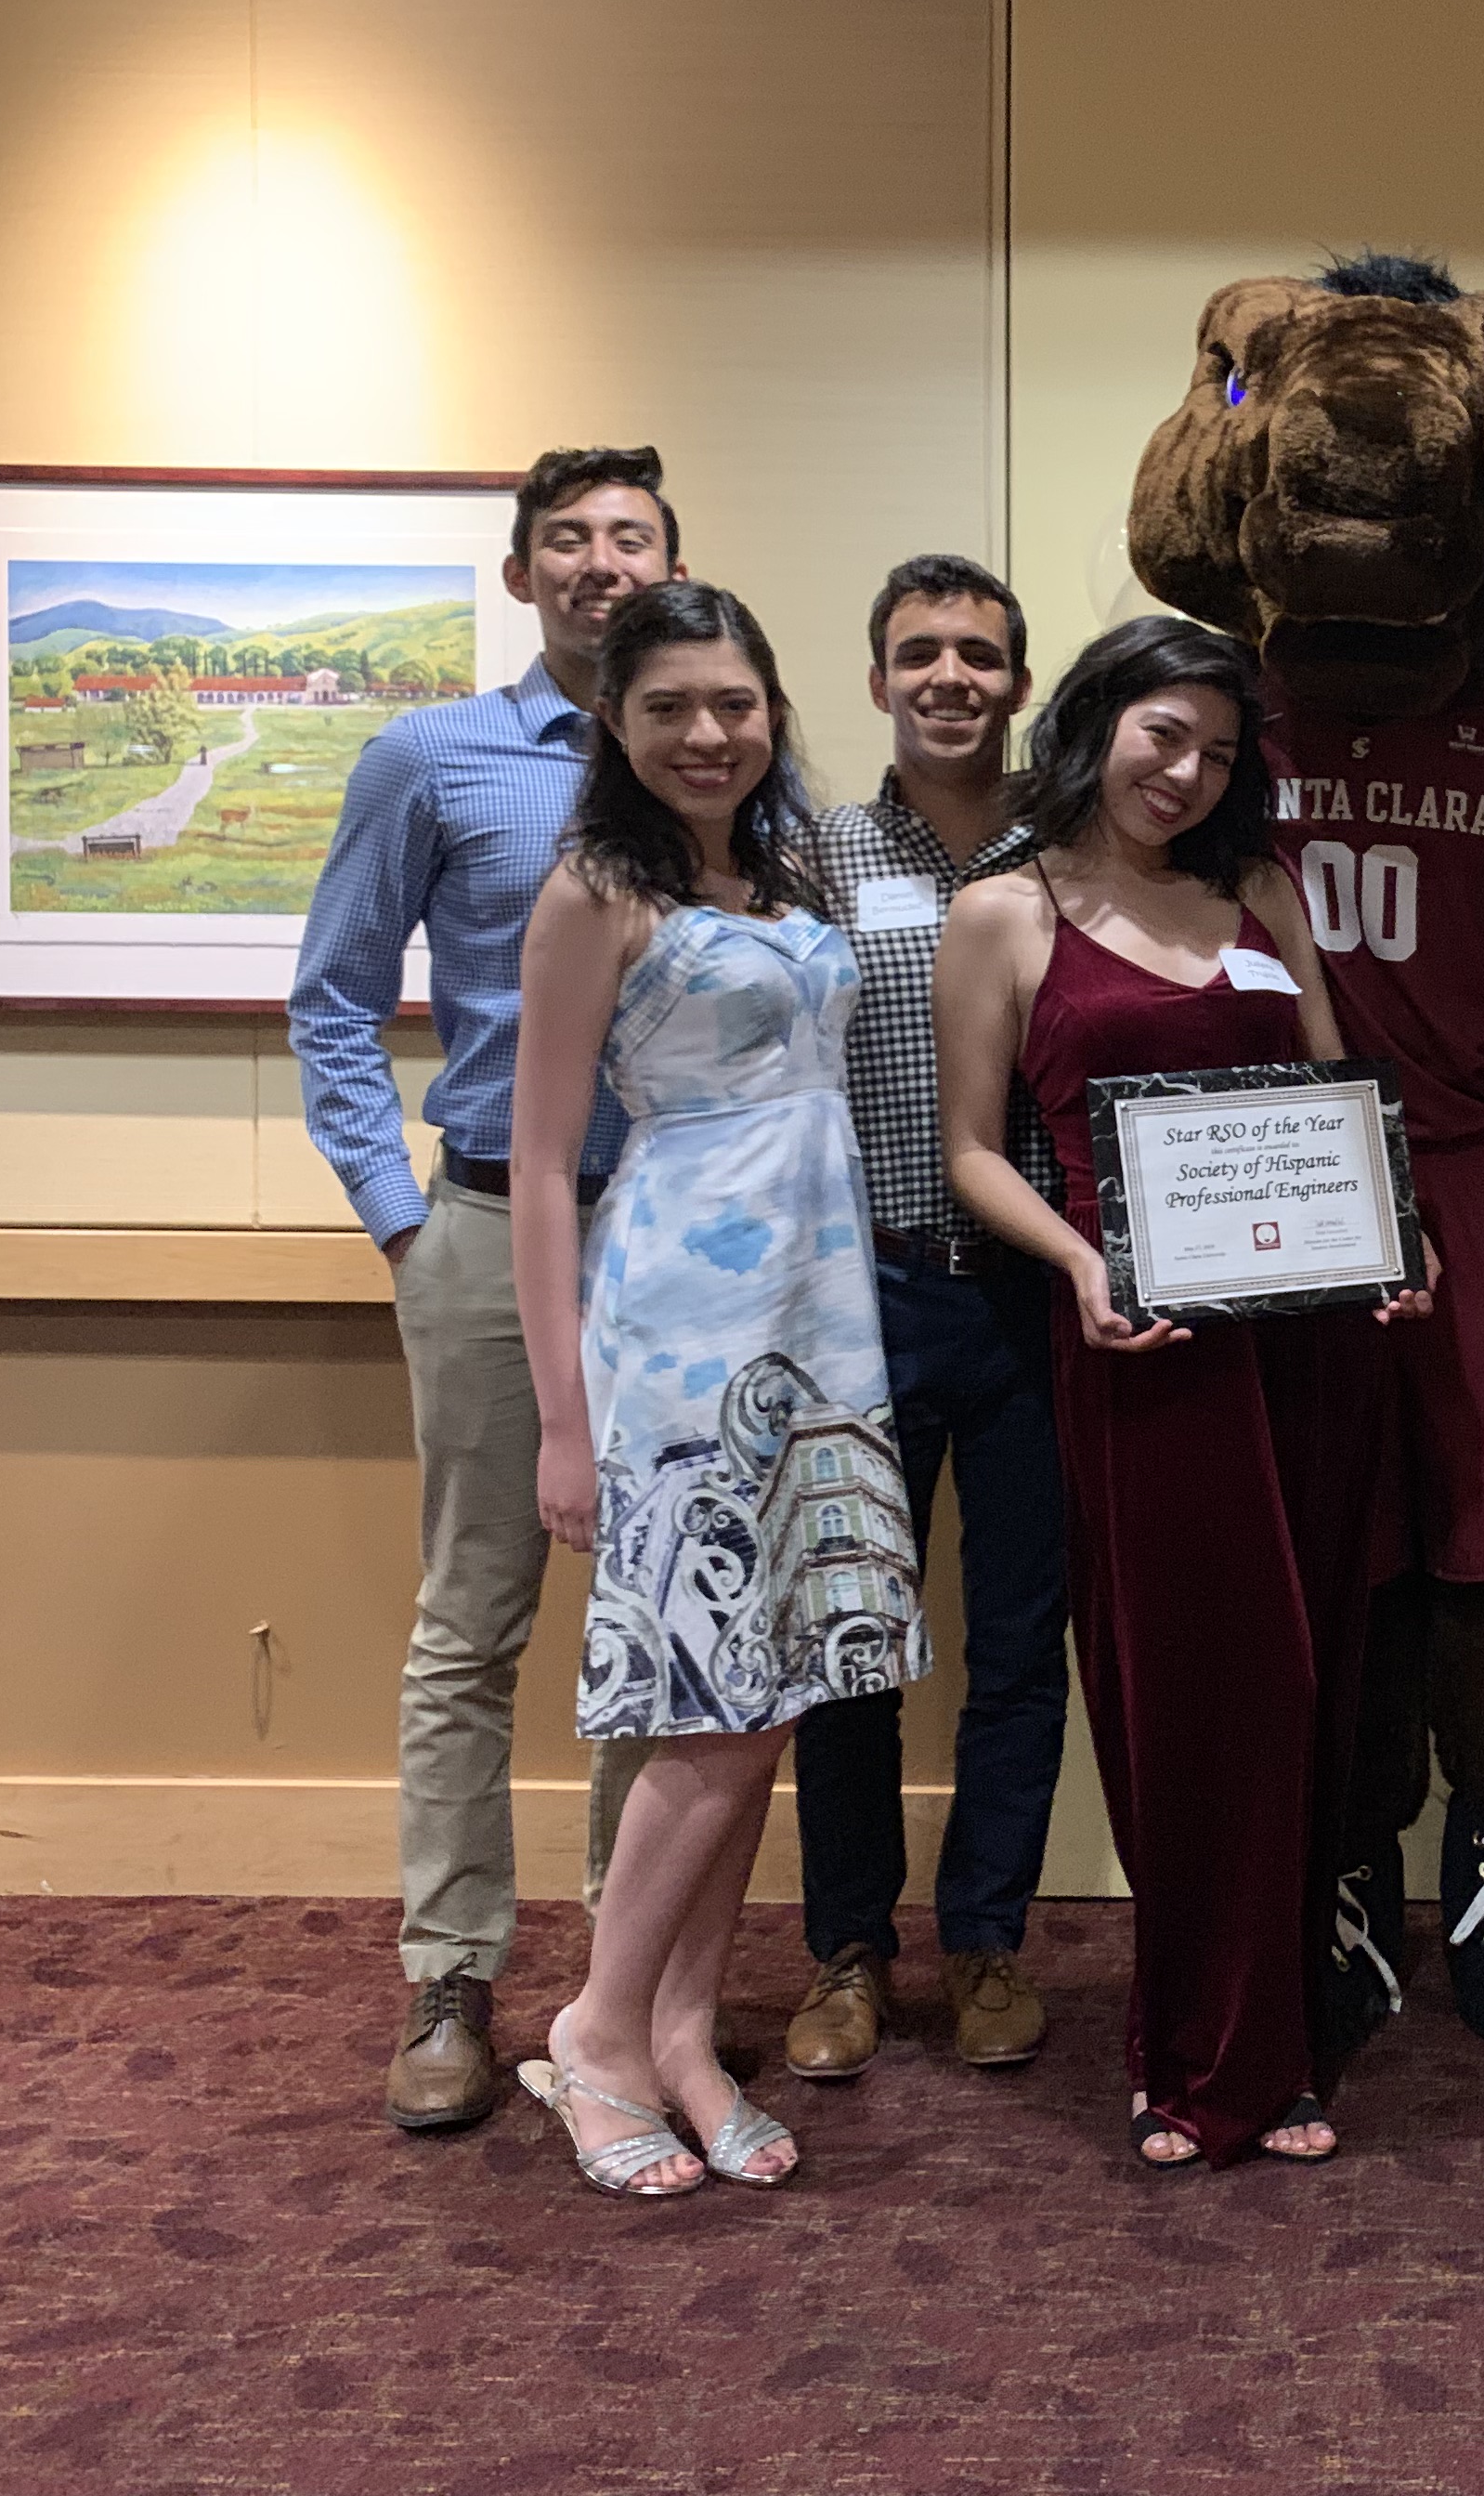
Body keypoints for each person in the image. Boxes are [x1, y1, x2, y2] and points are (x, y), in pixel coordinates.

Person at [932, 612, 1432, 2169]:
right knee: (1191, 1694)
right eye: (1165, 734)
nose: (1188, 770)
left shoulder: (1260, 890)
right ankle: (1187, 2051)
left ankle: (1279, 2046)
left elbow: (1341, 1101)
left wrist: (1394, 1237)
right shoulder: (1004, 912)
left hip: (1317, 1349)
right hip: (1148, 1353)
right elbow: (965, 1149)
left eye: (1219, 750)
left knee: (1312, 1682)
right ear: (1096, 723)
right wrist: (1082, 1264)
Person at [507, 579, 913, 2197]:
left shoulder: (787, 869)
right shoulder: (594, 893)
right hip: (679, 1324)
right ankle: (597, 2032)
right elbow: (542, 1166)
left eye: (731, 702)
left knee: (780, 1689)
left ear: (771, 710)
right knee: (712, 1700)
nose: (706, 732)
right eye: (667, 704)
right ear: (616, 721)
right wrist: (563, 1413)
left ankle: (683, 2027)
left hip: (822, 1318)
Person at [290, 444, 675, 2133]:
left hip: (675, 1252)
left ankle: (627, 1981)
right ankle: (449, 1979)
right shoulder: (431, 759)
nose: (602, 561)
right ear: (522, 576)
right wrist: (399, 1217)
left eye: (632, 537)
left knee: (656, 1624)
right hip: (478, 1234)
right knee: (473, 1619)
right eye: (569, 541)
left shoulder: (714, 758)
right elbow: (334, 1000)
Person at [1263, 602, 1484, 2058]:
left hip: (1473, 1158)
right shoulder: (1228, 694)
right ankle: (1351, 1856)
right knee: (1346, 1531)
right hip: (1277, 1166)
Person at [779, 555, 1074, 2084]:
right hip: (866, 1293)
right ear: (878, 679)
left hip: (1036, 1299)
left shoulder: (1075, 852)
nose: (951, 675)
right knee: (856, 1648)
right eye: (921, 653)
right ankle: (844, 1952)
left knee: (1021, 1645)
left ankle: (988, 1945)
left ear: (1022, 684)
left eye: (980, 653)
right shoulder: (816, 857)